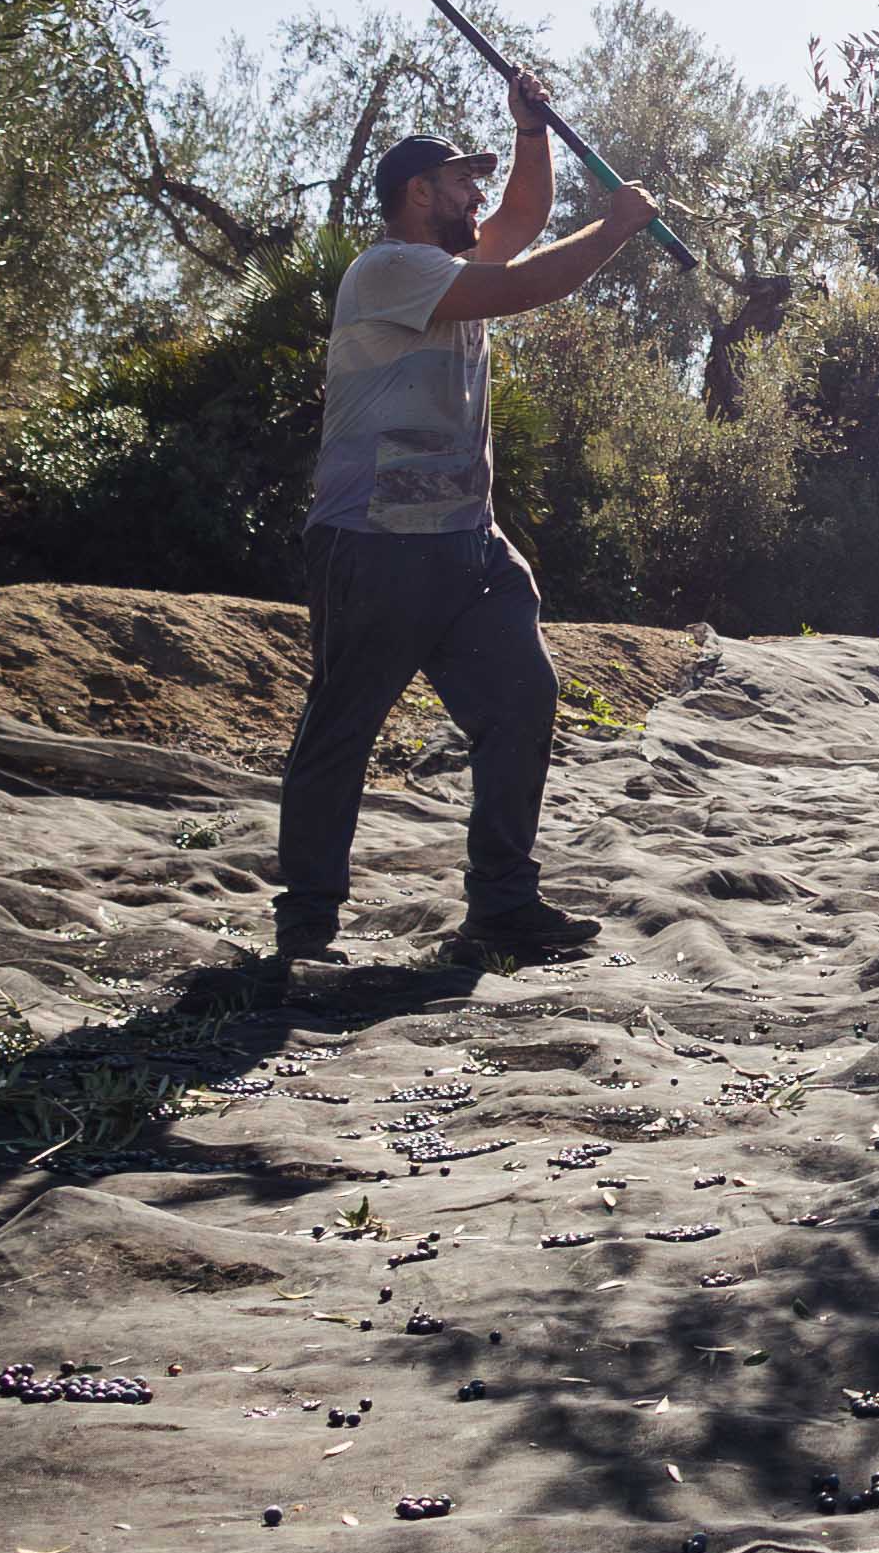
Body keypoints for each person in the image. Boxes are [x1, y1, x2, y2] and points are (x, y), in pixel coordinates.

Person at [271, 66, 657, 968]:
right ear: (418, 193)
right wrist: (619, 228)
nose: (478, 195)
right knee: (343, 728)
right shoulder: (391, 269)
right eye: (461, 181)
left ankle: (503, 906)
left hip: (467, 546)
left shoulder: (443, 262)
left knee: (523, 703)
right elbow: (525, 282)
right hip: (372, 542)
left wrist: (531, 132)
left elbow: (520, 227)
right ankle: (307, 928)